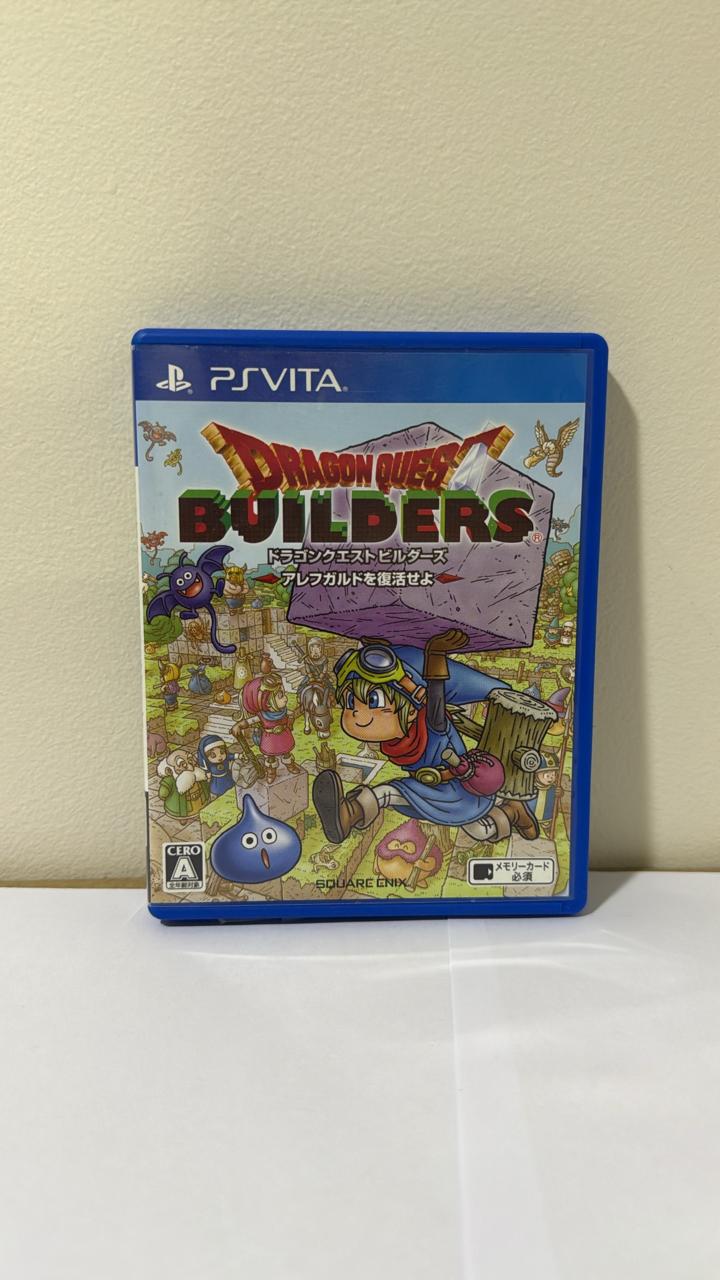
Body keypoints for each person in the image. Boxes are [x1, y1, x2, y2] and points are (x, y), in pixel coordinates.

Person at [312, 630, 539, 846]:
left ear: (412, 710)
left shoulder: (431, 724)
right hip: (426, 787)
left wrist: (435, 656)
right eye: (350, 703)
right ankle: (512, 811)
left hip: (458, 788)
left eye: (373, 702)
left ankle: (350, 813)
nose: (356, 714)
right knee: (478, 828)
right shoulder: (396, 737)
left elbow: (435, 696)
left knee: (391, 794)